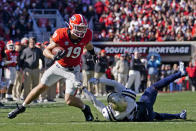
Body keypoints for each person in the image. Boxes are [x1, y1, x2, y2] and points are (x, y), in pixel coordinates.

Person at [8, 14, 97, 121]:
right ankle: (22, 107)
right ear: (71, 26)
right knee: (41, 86)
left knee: (69, 100)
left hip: (73, 69)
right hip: (59, 66)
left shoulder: (87, 34)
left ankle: (85, 108)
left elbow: (88, 44)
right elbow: (46, 50)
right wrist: (53, 56)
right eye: (79, 28)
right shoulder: (61, 34)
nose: (81, 31)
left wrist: (93, 54)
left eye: (83, 28)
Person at [82, 62, 187, 121]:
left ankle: (179, 116)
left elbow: (95, 102)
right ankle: (180, 73)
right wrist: (99, 80)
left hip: (141, 118)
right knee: (153, 87)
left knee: (154, 115)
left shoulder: (111, 115)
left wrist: (85, 90)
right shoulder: (129, 99)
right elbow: (114, 83)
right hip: (142, 109)